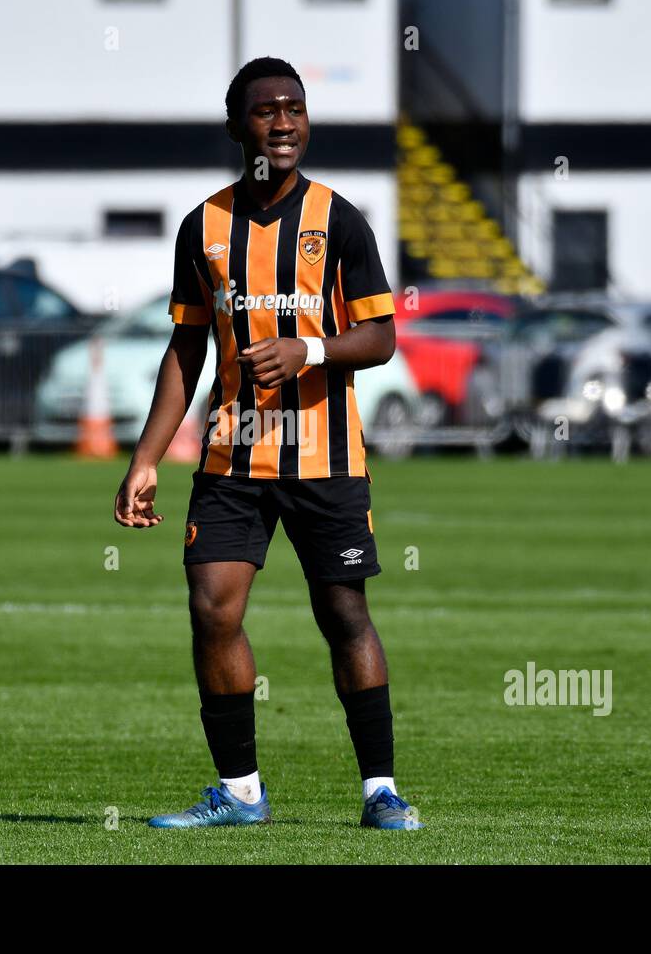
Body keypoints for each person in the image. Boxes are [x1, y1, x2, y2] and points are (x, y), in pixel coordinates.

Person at [113, 57, 421, 830]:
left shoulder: (340, 219)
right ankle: (240, 791)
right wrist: (147, 456)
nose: (283, 123)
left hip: (325, 456)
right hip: (231, 455)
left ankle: (380, 791)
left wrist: (308, 351)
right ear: (235, 126)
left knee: (343, 613)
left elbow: (381, 337)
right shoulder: (204, 226)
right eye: (265, 111)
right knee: (212, 609)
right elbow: (186, 350)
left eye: (295, 109)